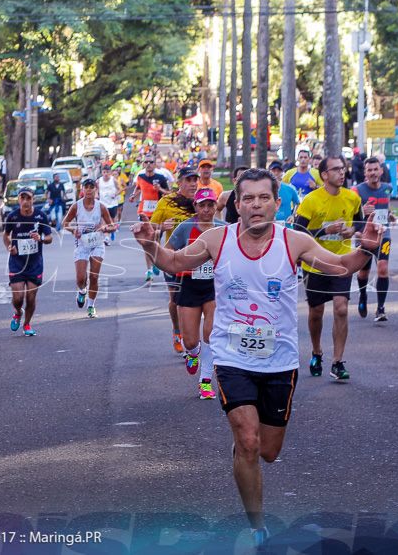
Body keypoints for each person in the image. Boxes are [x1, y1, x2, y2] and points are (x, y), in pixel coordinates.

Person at [131, 168, 384, 546]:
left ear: (277, 203)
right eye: (247, 198)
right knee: (249, 441)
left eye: (263, 197)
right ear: (236, 204)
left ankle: (245, 446)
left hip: (279, 362)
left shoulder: (294, 241)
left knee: (268, 451)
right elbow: (173, 264)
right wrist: (150, 244)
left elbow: (339, 267)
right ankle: (258, 527)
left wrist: (366, 247)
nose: (255, 205)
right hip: (231, 356)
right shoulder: (217, 239)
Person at [292, 155, 364, 380]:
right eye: (336, 169)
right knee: (316, 312)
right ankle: (316, 351)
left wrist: (353, 231)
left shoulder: (352, 198)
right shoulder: (311, 201)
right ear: (324, 175)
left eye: (343, 169)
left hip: (341, 262)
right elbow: (297, 232)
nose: (342, 173)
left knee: (341, 308)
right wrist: (325, 231)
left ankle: (338, 362)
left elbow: (360, 222)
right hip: (315, 264)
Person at [166, 188, 226, 398]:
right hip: (189, 286)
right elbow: (168, 251)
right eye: (203, 205)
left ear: (215, 206)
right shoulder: (185, 228)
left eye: (211, 205)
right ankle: (193, 354)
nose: (207, 210)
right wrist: (179, 265)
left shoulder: (223, 229)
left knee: (210, 334)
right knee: (191, 341)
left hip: (213, 288)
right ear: (196, 207)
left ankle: (206, 381)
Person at [151, 167, 199, 354]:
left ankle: (191, 338)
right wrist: (162, 227)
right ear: (179, 182)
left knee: (197, 301)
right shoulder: (167, 201)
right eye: (188, 180)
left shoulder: (201, 202)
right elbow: (151, 228)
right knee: (176, 301)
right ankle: (178, 331)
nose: (193, 183)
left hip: (198, 259)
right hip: (173, 257)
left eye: (195, 180)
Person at [61, 178, 117, 318]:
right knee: (81, 278)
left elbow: (112, 226)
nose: (89, 190)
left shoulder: (101, 206)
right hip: (81, 244)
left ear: (95, 190)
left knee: (94, 276)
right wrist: (74, 230)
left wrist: (104, 228)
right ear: (82, 190)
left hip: (97, 243)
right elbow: (64, 223)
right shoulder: (76, 206)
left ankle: (91, 306)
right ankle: (82, 291)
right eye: (86, 187)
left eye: (92, 187)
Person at [3, 185, 54, 336]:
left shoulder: (40, 216)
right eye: (22, 198)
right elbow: (6, 235)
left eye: (28, 198)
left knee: (30, 298)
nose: (25, 201)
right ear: (18, 199)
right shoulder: (12, 217)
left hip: (34, 264)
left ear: (33, 199)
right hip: (17, 262)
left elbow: (50, 237)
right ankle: (18, 311)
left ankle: (27, 324)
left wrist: (41, 238)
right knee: (18, 299)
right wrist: (9, 246)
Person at [352, 157, 397, 321]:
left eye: (375, 169)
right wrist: (361, 210)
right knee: (363, 272)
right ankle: (363, 295)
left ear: (381, 171)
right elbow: (351, 214)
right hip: (364, 236)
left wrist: (391, 216)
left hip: (383, 234)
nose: (372, 173)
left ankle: (380, 309)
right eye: (369, 170)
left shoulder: (387, 189)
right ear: (365, 173)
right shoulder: (357, 190)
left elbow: (387, 208)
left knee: (383, 268)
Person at [130, 155, 171, 282]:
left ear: (154, 164)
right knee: (147, 242)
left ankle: (155, 262)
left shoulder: (161, 178)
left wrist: (160, 189)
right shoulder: (140, 176)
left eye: (151, 162)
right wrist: (134, 195)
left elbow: (169, 194)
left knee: (156, 240)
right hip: (144, 213)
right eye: (146, 162)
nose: (148, 164)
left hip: (158, 213)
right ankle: (149, 270)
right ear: (143, 164)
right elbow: (138, 188)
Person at [97, 163, 122, 245]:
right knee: (105, 220)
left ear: (110, 172)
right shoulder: (99, 181)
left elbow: (119, 189)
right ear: (102, 172)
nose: (106, 174)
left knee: (112, 220)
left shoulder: (113, 180)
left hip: (112, 203)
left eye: (107, 172)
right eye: (104, 172)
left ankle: (112, 231)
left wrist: (115, 194)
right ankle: (106, 238)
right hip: (103, 204)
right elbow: (96, 190)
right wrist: (96, 195)